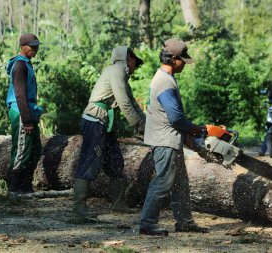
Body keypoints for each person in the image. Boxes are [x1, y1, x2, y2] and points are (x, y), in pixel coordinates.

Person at [139, 38, 209, 236]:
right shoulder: (164, 82)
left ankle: (184, 221)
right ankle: (147, 224)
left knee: (180, 182)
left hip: (170, 139)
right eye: (182, 61)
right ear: (173, 59)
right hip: (165, 140)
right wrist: (198, 129)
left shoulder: (165, 78)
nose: (184, 65)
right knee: (163, 181)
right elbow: (176, 118)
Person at [72, 46, 146, 223]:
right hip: (95, 120)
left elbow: (132, 102)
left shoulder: (120, 74)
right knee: (90, 160)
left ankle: (118, 202)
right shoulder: (117, 71)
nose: (136, 65)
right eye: (135, 61)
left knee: (115, 159)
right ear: (129, 58)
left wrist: (147, 123)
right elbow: (124, 102)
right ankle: (78, 209)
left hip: (105, 122)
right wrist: (139, 125)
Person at [6, 33, 43, 195]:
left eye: (37, 46)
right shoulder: (20, 65)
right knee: (22, 149)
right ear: (23, 46)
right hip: (21, 112)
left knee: (35, 148)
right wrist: (27, 120)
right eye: (32, 46)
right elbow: (20, 94)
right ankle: (14, 188)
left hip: (28, 111)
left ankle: (26, 186)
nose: (35, 49)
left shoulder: (27, 64)